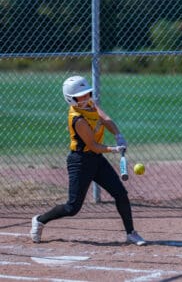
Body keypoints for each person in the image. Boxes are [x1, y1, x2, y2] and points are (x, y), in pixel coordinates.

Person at [30, 75, 146, 246]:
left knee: (121, 194)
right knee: (72, 208)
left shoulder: (90, 103)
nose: (85, 98)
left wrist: (118, 135)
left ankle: (131, 232)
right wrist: (114, 149)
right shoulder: (77, 119)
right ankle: (40, 220)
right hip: (80, 162)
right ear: (71, 99)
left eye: (87, 94)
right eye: (81, 96)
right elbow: (92, 145)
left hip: (96, 160)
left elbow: (104, 119)